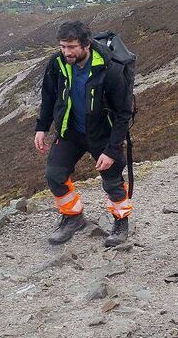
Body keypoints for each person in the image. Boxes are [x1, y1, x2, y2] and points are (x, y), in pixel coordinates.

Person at [34, 21, 134, 246]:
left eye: (72, 47)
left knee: (112, 182)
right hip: (71, 132)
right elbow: (49, 97)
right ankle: (73, 217)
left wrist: (112, 150)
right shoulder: (57, 63)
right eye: (62, 46)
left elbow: (123, 113)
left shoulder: (110, 70)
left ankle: (121, 222)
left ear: (86, 44)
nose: (66, 52)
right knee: (54, 175)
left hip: (103, 135)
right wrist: (42, 127)